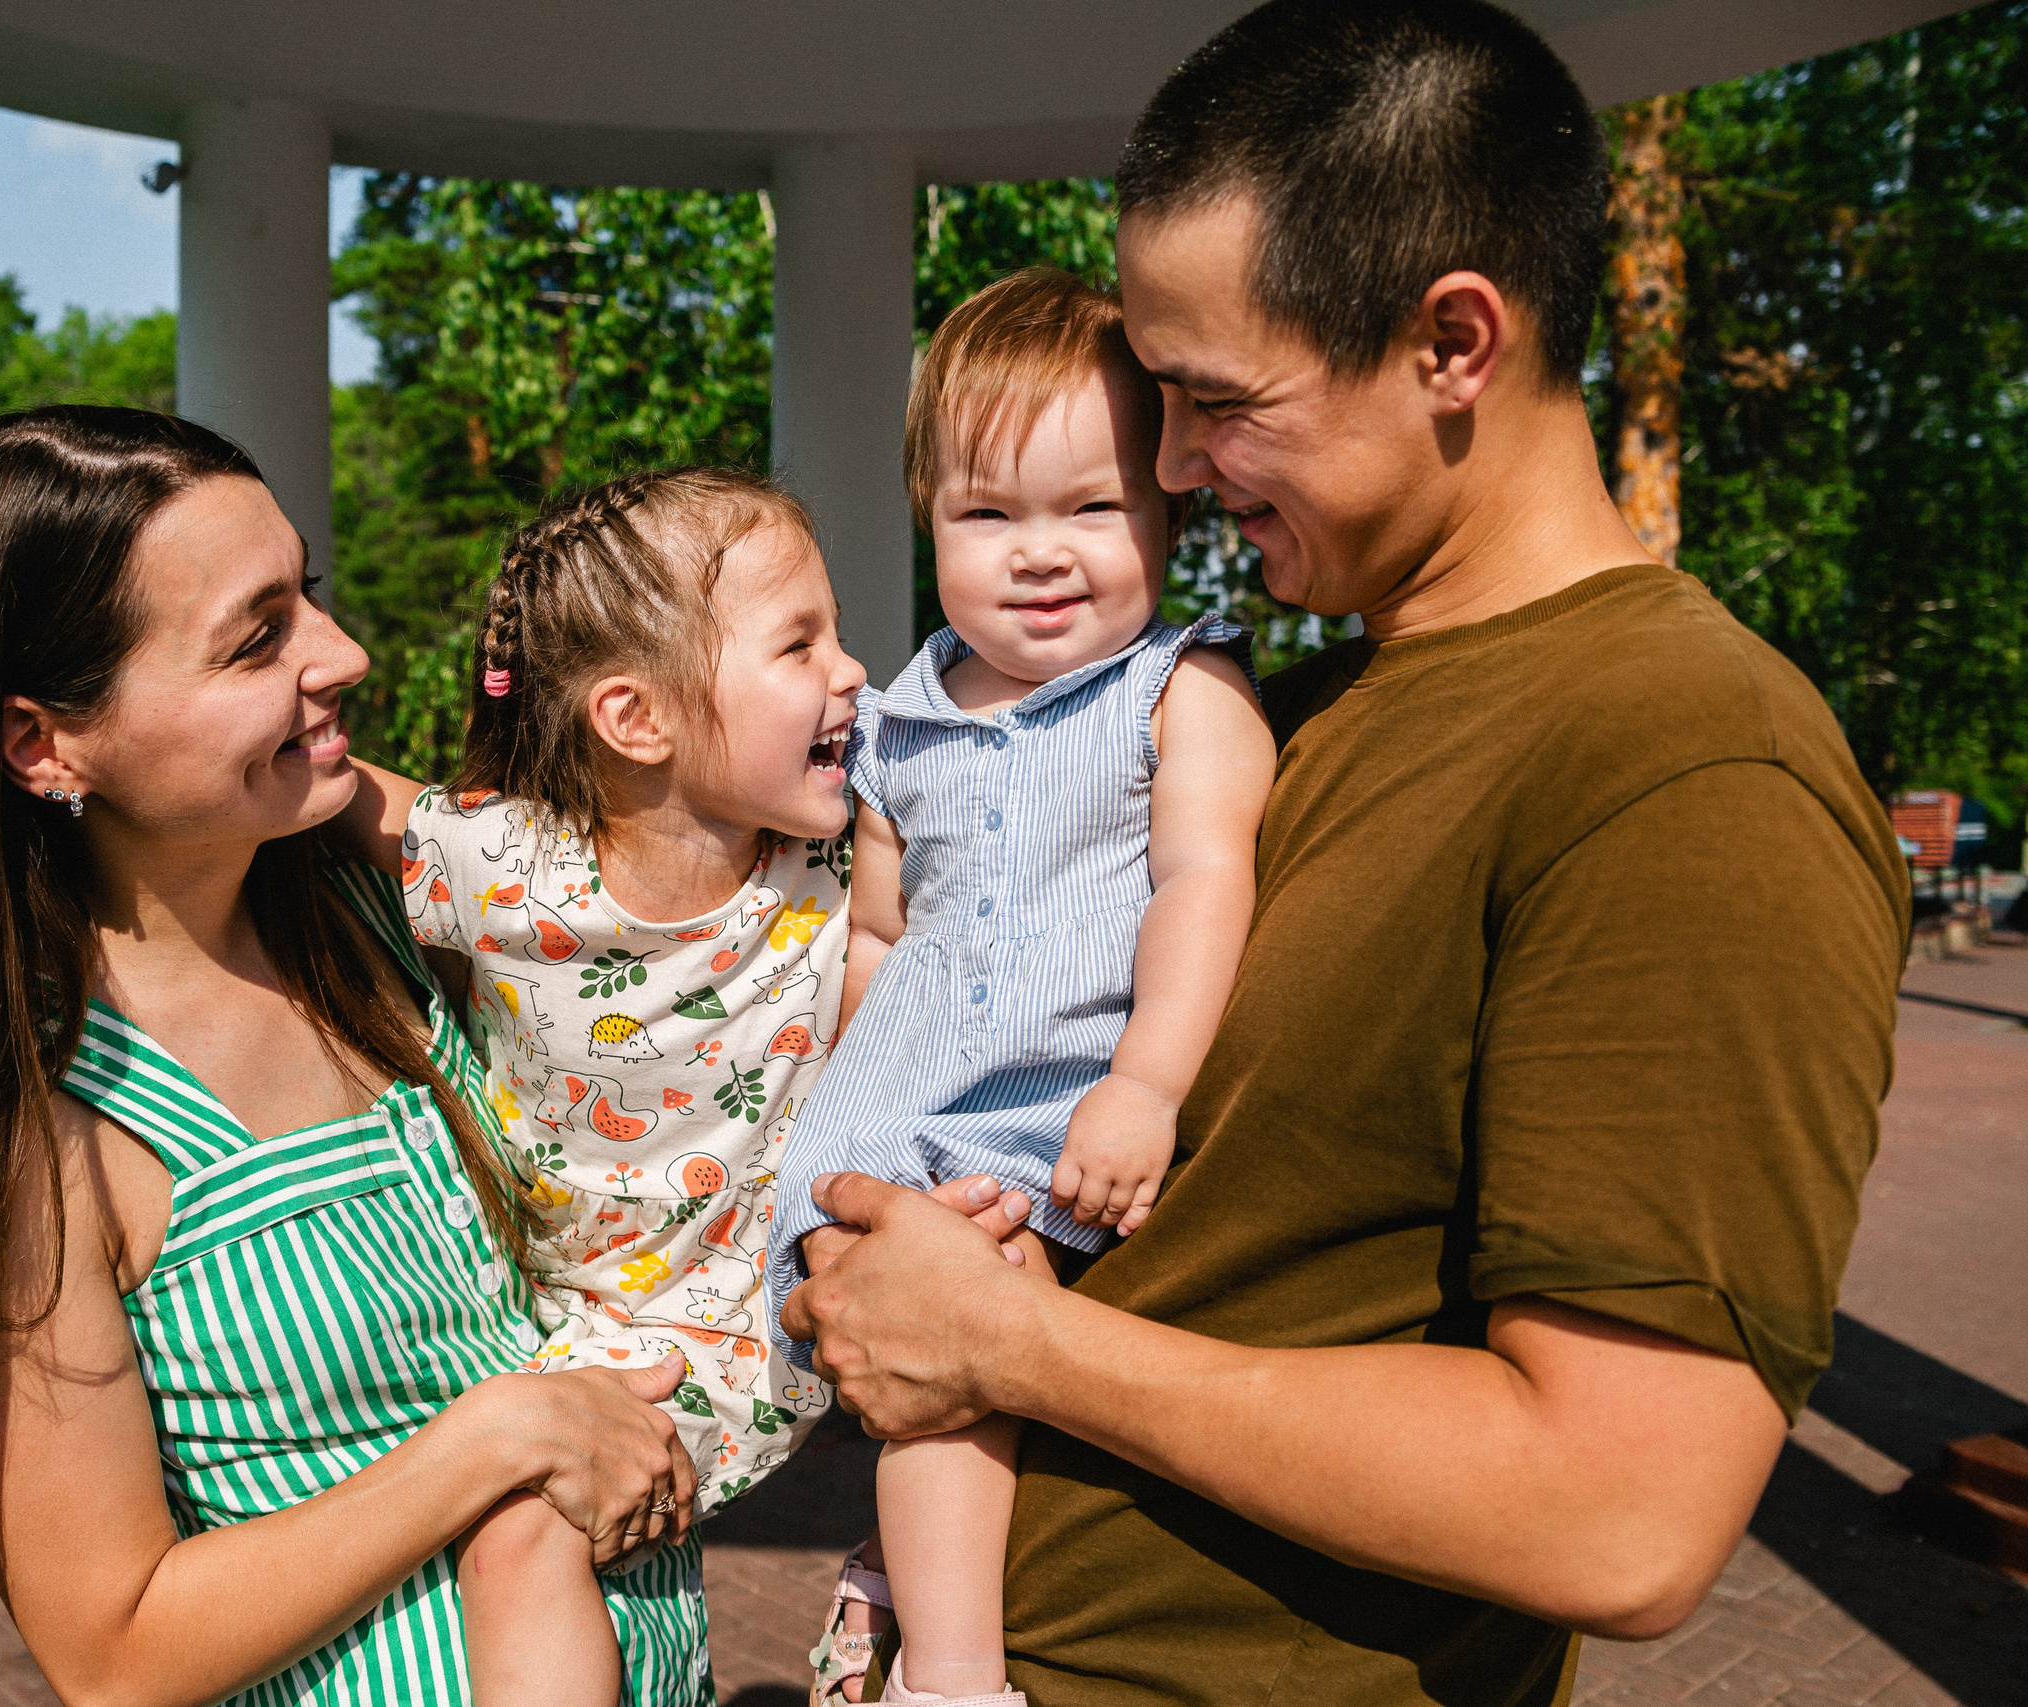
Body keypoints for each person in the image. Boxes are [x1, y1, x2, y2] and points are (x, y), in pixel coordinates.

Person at [780, 4, 1909, 1704]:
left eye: (1213, 401)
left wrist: (1014, 1343)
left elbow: (1620, 1511)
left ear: (1452, 340)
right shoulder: (1262, 707)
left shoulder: (1689, 765)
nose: (1167, 468)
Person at [0, 407, 713, 1707]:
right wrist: (501, 1435)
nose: (346, 650)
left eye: (307, 592)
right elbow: (115, 1648)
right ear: (42, 741)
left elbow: (662, 920)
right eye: (257, 636)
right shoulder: (45, 1138)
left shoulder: (374, 913)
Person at [763, 269, 1273, 1707]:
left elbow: (1203, 882)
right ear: (930, 516)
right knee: (916, 1345)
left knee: (971, 1348)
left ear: (1168, 514)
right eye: (990, 514)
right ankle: (927, 1609)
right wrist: (839, 1084)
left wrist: (1149, 1079)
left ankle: (947, 1662)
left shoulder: (1182, 687)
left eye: (1093, 508)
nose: (1041, 555)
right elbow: (876, 927)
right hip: (905, 1104)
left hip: (1058, 1100)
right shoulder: (901, 714)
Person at [329, 468, 866, 1706]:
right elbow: (335, 800)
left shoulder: (841, 846)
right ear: (635, 720)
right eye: (800, 643)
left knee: (520, 1535)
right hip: (526, 1321)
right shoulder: (509, 866)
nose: (850, 673)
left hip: (739, 1331)